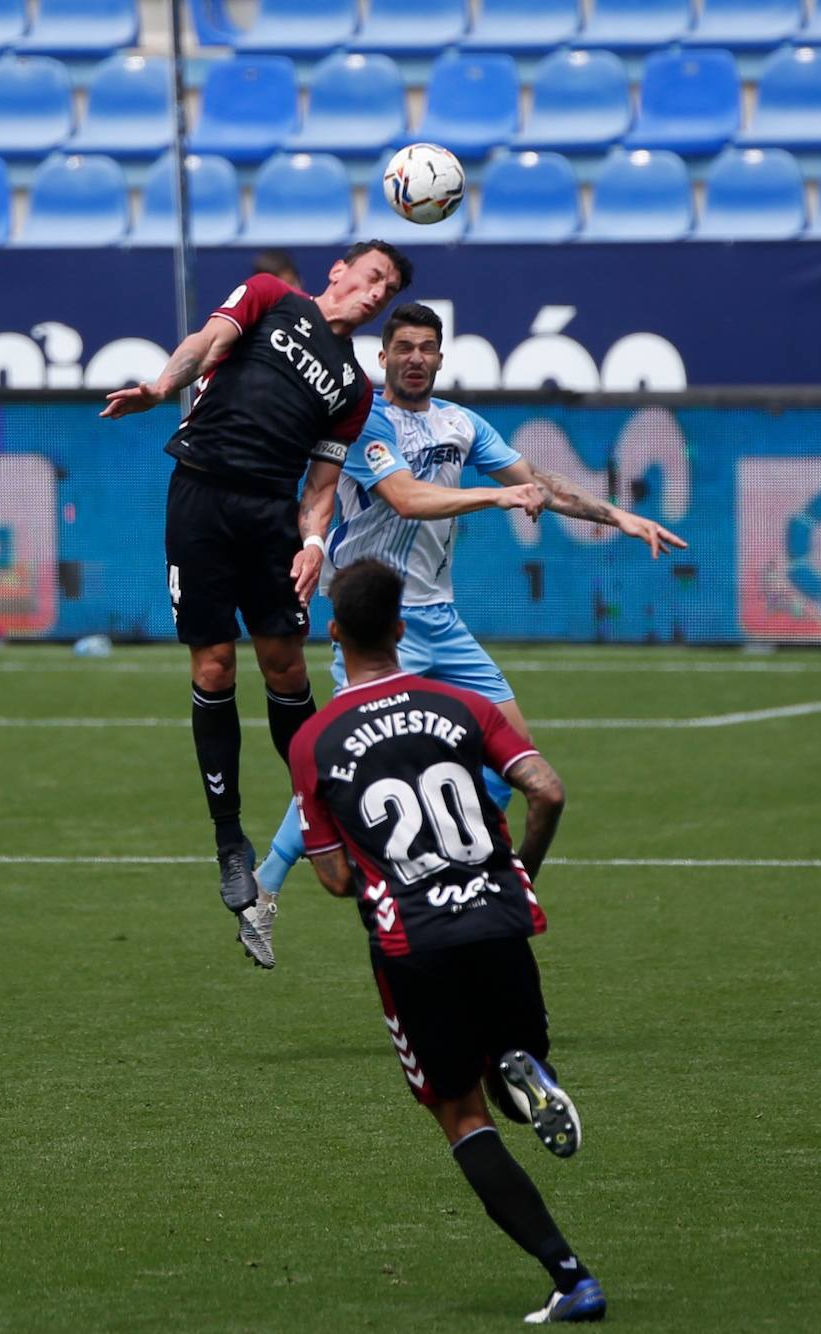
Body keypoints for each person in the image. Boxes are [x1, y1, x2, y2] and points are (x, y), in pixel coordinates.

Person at [248, 302, 687, 965]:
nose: (415, 357)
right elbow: (405, 497)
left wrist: (620, 517)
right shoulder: (366, 419)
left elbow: (534, 481)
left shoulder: (461, 423)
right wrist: (495, 497)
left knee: (515, 758)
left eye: (426, 347)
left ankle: (484, 883)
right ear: (384, 357)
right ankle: (263, 891)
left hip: (440, 622)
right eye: (404, 347)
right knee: (342, 760)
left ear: (441, 357)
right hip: (375, 626)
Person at [288, 558, 607, 1325]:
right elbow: (548, 789)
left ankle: (570, 1277)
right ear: (402, 630)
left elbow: (334, 880)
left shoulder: (314, 740)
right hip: (500, 918)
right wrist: (519, 868)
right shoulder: (461, 704)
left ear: (334, 632)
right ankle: (520, 1067)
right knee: (506, 1066)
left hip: (414, 944)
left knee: (461, 1115)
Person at [99, 241, 416, 919]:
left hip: (270, 516)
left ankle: (322, 812)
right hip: (202, 496)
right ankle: (228, 841)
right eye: (370, 276)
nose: (373, 293)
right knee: (213, 669)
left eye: (385, 290)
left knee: (286, 670)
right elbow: (204, 343)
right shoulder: (270, 298)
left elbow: (321, 488)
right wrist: (160, 387)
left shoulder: (354, 391)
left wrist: (310, 543)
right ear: (339, 270)